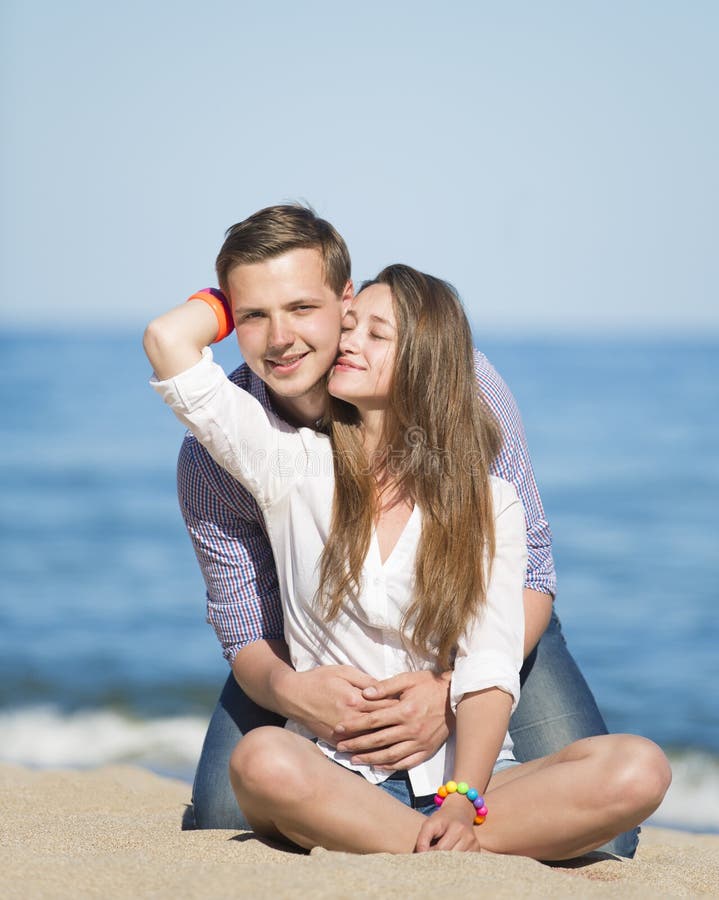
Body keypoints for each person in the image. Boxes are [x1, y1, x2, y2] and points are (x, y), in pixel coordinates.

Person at [145, 263, 670, 856]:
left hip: (455, 766)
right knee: (259, 766)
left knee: (639, 768)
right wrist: (236, 298)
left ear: (423, 363)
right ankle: (442, 853)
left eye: (376, 333)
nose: (346, 342)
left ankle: (414, 840)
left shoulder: (487, 497)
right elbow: (169, 345)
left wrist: (461, 798)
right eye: (350, 326)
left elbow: (490, 659)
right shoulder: (284, 466)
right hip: (336, 763)